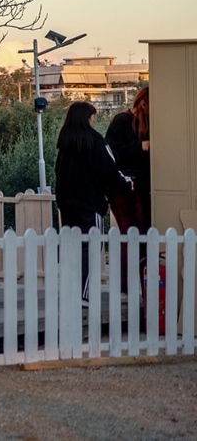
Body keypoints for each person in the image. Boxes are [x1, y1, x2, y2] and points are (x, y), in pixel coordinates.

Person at [54, 100, 132, 300]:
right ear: (87, 118)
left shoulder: (65, 141)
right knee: (90, 247)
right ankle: (83, 294)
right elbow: (109, 169)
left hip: (66, 202)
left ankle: (71, 292)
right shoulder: (95, 140)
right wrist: (126, 183)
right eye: (93, 117)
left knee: (72, 247)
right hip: (89, 203)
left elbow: (57, 171)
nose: (94, 120)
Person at [105, 88, 150, 232]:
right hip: (127, 189)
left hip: (142, 187)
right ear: (143, 104)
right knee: (134, 231)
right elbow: (112, 153)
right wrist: (140, 147)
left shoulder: (146, 124)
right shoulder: (122, 121)